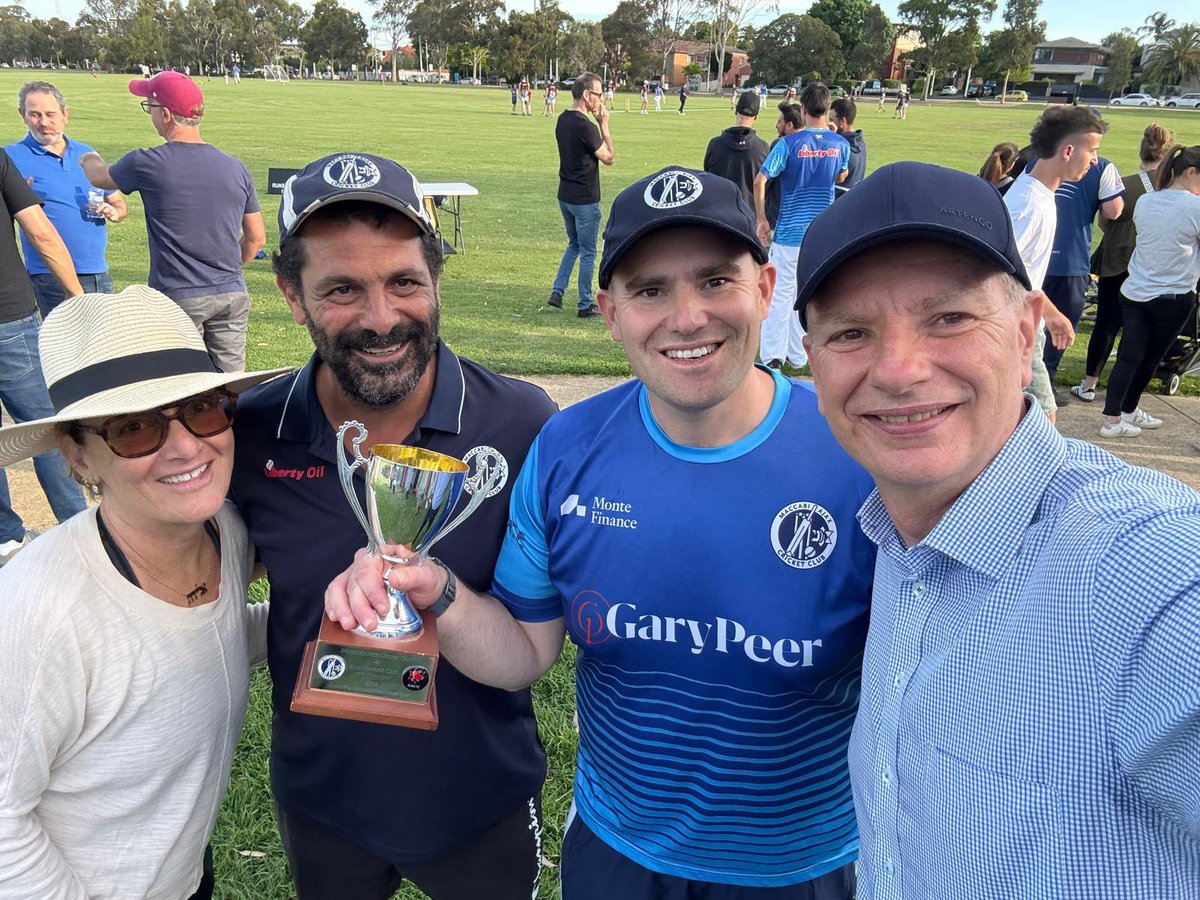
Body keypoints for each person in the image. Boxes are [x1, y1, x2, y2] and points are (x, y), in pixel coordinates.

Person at [329, 167, 876, 900]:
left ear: (767, 289)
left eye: (716, 281)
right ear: (611, 312)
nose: (687, 317)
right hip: (616, 850)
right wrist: (439, 592)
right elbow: (524, 654)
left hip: (802, 866)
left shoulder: (857, 454)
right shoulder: (566, 448)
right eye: (650, 290)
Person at [797, 160, 1200, 899]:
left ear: (1025, 333)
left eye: (949, 318)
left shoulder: (1147, 569)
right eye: (851, 332)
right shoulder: (894, 534)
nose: (899, 370)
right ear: (813, 364)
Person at [229, 152, 557, 900]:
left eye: (404, 282)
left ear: (436, 278)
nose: (381, 319)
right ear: (292, 295)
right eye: (342, 289)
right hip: (322, 798)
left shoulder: (522, 425)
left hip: (482, 796)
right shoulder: (251, 434)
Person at [0, 285, 284, 897]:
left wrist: (327, 617)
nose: (186, 446)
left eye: (202, 408)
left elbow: (200, 640)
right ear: (79, 457)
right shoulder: (36, 612)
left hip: (184, 875)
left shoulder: (224, 531)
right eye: (133, 428)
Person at [79, 71, 266, 373]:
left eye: (149, 107)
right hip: (231, 292)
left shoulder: (147, 162)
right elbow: (256, 238)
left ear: (165, 114)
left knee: (180, 383)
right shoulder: (236, 168)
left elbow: (98, 176)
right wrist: (227, 269)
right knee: (230, 383)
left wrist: (86, 155)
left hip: (177, 296)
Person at [0, 147, 85, 567]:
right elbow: (41, 231)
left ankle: (4, 538)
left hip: (11, 315)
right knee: (47, 432)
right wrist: (76, 294)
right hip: (11, 316)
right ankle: (80, 530)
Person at [1003, 106, 1106, 422]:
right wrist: (1052, 314)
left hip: (1026, 325)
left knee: (1027, 418)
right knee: (1044, 418)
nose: (1095, 160)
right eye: (1092, 150)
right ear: (1068, 151)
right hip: (1017, 328)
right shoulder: (1028, 204)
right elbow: (1005, 275)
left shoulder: (1040, 193)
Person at [1099, 144, 1200, 438]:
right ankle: (1124, 411)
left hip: (1135, 291)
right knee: (1150, 357)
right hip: (1173, 295)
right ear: (1191, 172)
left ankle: (1117, 416)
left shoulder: (1146, 200)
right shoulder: (1194, 206)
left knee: (1129, 356)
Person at [6, 81, 127, 317]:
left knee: (105, 338)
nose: (44, 122)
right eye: (35, 114)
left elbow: (118, 202)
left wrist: (114, 212)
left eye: (50, 114)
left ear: (65, 114)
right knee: (64, 339)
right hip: (50, 274)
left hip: (96, 271)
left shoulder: (86, 153)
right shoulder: (11, 158)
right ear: (22, 115)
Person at [1073, 123, 1175, 403]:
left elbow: (1105, 221)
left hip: (1117, 259)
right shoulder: (1174, 188)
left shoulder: (1125, 184)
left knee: (1106, 322)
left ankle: (1089, 383)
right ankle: (1128, 390)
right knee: (1142, 327)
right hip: (1155, 262)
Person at [753, 85, 849, 370]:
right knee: (805, 294)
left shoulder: (788, 144)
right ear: (827, 109)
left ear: (803, 109)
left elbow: (760, 181)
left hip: (789, 233)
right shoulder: (840, 144)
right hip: (820, 236)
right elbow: (842, 175)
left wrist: (761, 218)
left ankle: (773, 355)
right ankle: (797, 355)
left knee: (780, 294)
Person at [1040, 137, 1124, 395]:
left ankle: (1022, 384)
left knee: (1029, 324)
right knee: (1062, 327)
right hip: (1071, 259)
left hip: (1036, 258)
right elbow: (1114, 211)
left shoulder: (1039, 159)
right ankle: (1045, 383)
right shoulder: (1102, 167)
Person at [548, 72, 614, 318]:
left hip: (565, 195)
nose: (601, 99)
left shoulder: (562, 120)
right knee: (587, 252)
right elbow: (609, 158)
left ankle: (558, 290)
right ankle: (585, 303)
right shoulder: (586, 127)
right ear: (586, 94)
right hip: (584, 199)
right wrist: (604, 125)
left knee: (574, 244)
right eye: (598, 94)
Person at [703, 88, 769, 210]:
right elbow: (766, 186)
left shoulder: (715, 144)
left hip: (718, 214)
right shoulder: (763, 148)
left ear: (736, 111)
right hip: (749, 216)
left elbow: (707, 178)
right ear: (756, 117)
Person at [830, 97, 866, 199]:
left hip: (838, 201)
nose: (829, 123)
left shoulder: (840, 147)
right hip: (854, 199)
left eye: (831, 120)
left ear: (842, 121)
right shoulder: (861, 143)